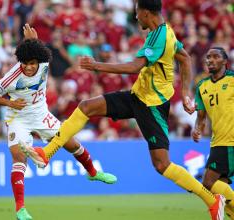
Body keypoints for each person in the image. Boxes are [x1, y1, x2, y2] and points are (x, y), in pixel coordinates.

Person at [20, 1, 226, 219]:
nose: (136, 18)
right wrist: (185, 93)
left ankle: (212, 201)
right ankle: (47, 153)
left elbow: (134, 67)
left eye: (137, 14)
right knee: (86, 106)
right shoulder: (165, 32)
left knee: (162, 165)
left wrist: (96, 65)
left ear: (147, 13)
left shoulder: (159, 37)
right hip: (138, 96)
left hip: (152, 106)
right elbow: (185, 58)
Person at [0, 24, 117, 220]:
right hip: (17, 118)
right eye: (25, 63)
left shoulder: (44, 63)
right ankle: (20, 208)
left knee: (73, 145)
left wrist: (33, 41)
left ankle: (93, 172)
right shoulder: (11, 78)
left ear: (39, 62)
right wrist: (10, 102)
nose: (29, 67)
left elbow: (38, 49)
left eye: (32, 63)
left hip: (41, 114)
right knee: (20, 159)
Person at [192, 47, 234, 219]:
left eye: (215, 56)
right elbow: (201, 116)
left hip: (230, 141)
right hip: (217, 142)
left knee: (208, 183)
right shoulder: (202, 86)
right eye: (208, 57)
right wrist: (197, 129)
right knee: (220, 190)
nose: (210, 60)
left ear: (225, 61)